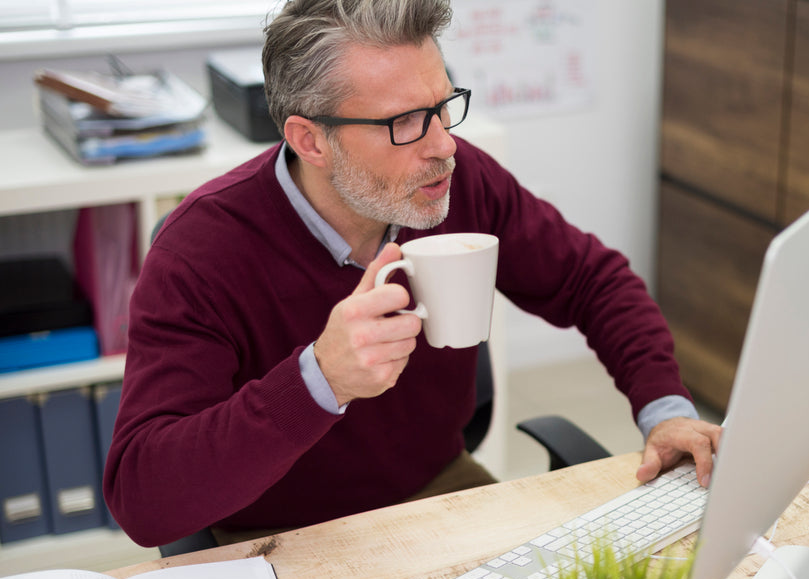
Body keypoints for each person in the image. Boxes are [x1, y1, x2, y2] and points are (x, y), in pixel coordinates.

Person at [103, 0, 721, 548]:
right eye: (405, 123)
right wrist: (319, 380)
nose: (444, 146)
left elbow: (593, 280)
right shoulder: (201, 252)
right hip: (276, 535)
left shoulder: (458, 180)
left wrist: (664, 411)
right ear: (310, 140)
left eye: (444, 106)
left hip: (438, 491)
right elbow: (142, 496)